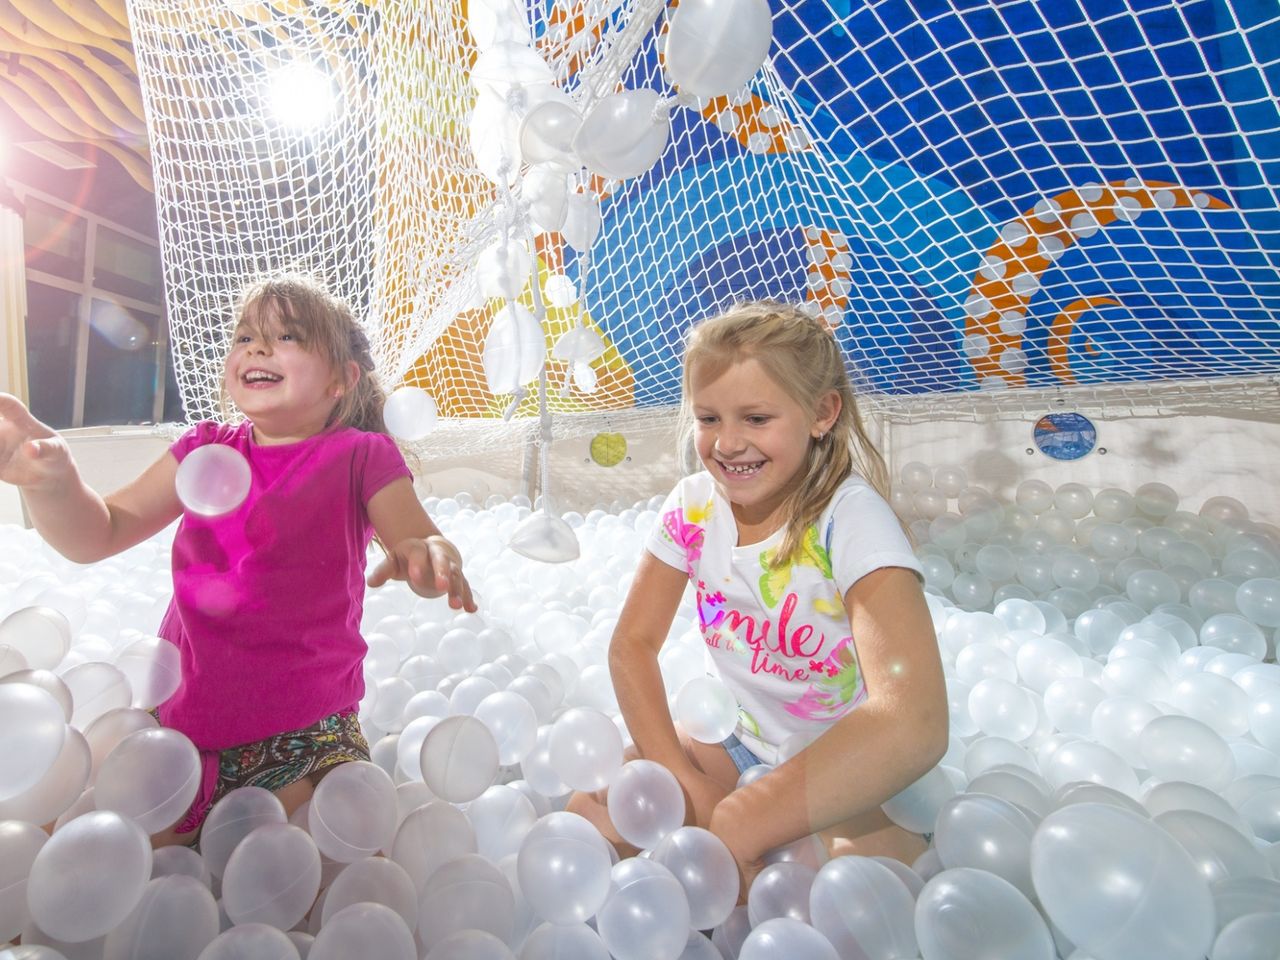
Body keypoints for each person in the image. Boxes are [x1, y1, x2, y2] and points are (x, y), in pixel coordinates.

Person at [0, 273, 475, 845]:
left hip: (304, 730)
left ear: (341, 380)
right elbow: (101, 532)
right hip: (184, 724)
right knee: (102, 845)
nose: (256, 348)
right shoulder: (204, 450)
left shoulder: (360, 455)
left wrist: (428, 557)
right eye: (246, 336)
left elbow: (414, 538)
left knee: (309, 860)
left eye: (288, 337)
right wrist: (54, 483)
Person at [569, 300, 947, 891]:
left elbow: (914, 718)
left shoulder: (847, 520)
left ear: (821, 413)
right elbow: (632, 646)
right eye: (709, 418)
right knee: (590, 811)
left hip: (838, 768)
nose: (728, 443)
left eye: (756, 418)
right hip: (738, 745)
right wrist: (680, 775)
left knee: (854, 892)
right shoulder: (693, 508)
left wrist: (748, 819)